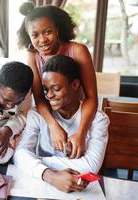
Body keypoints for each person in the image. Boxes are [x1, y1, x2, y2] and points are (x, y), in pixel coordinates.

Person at [13, 55, 109, 193]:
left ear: (75, 85)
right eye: (46, 90)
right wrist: (50, 176)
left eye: (56, 88)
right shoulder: (36, 115)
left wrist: (36, 162)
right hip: (40, 187)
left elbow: (91, 166)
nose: (49, 95)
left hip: (79, 192)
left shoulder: (98, 120)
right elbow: (20, 154)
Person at [17, 2, 98, 159]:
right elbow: (39, 98)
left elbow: (91, 97)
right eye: (35, 35)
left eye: (48, 32)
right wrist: (53, 125)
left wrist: (81, 132)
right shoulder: (33, 56)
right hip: (50, 117)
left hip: (78, 116)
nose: (42, 40)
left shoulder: (78, 51)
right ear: (29, 36)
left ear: (57, 30)